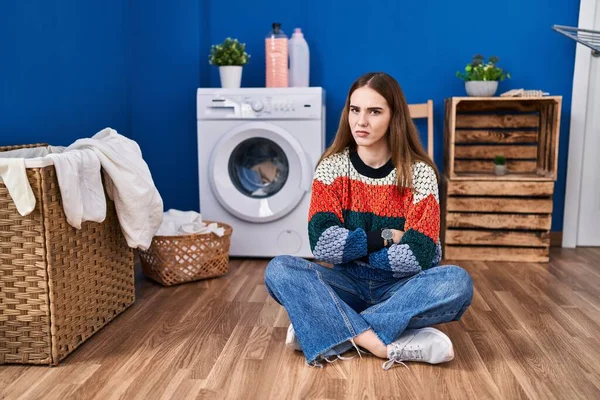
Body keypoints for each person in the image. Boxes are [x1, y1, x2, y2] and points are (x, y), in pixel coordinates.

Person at [264, 72, 473, 369]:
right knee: (280, 269)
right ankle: (379, 343)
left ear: (393, 117)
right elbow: (323, 246)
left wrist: (353, 250)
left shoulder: (421, 173)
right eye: (355, 109)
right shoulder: (331, 167)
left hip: (400, 288)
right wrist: (386, 236)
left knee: (457, 283)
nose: (361, 121)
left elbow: (421, 254)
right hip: (346, 283)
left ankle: (330, 329)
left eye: (374, 111)